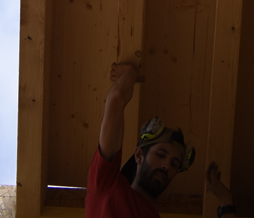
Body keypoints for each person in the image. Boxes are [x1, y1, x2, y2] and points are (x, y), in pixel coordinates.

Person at [86, 59, 237, 217]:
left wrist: (225, 200)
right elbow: (116, 99)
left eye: (174, 164)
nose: (166, 166)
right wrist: (131, 73)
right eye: (160, 154)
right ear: (139, 155)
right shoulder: (106, 186)